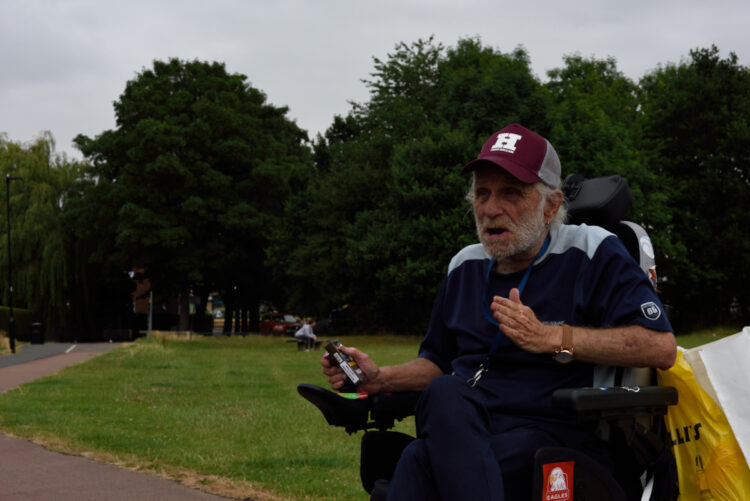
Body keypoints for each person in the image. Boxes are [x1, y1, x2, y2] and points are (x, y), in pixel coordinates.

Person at [321, 123, 677, 500]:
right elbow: (437, 363)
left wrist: (551, 337)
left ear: (551, 206)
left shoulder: (591, 252)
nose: (491, 209)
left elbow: (659, 346)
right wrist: (379, 378)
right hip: (466, 429)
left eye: (511, 193)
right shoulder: (464, 266)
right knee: (444, 394)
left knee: (417, 460)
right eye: (483, 193)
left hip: (554, 432)